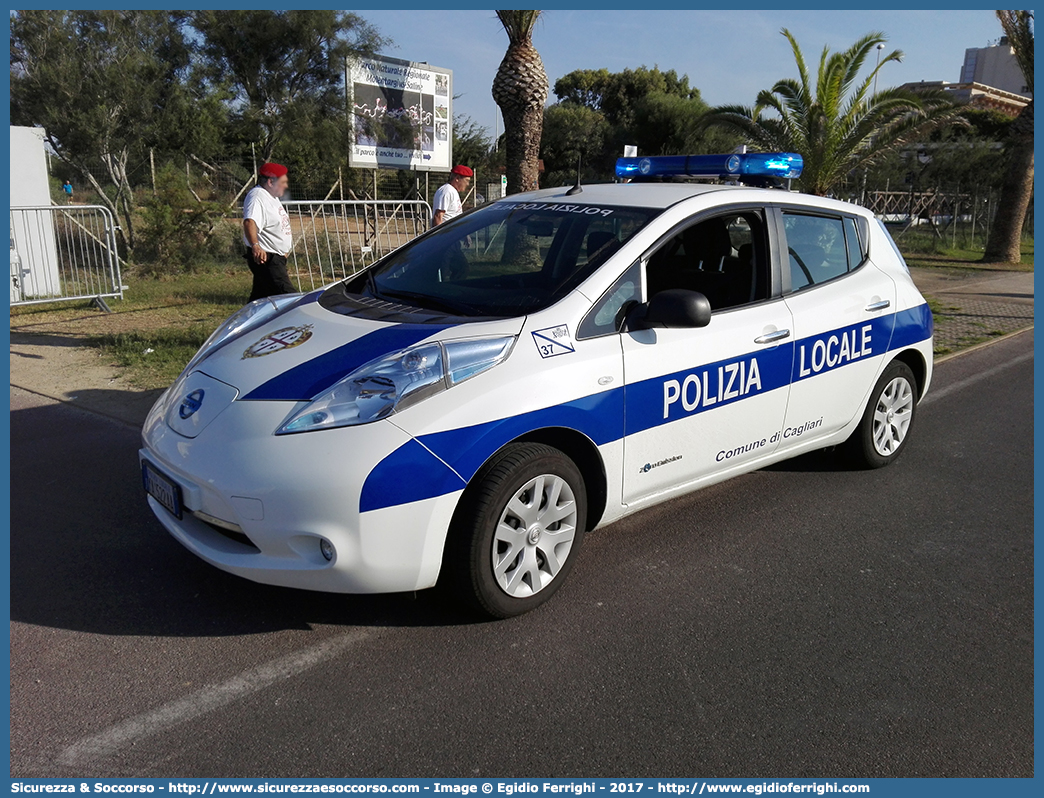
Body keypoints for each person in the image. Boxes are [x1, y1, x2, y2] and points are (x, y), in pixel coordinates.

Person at [242, 162, 295, 301]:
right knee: (289, 299)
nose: (286, 186)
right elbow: (250, 222)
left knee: (259, 301)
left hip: (275, 257)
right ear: (271, 182)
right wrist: (255, 246)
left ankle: (251, 322)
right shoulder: (257, 196)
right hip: (266, 258)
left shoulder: (272, 197)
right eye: (283, 182)